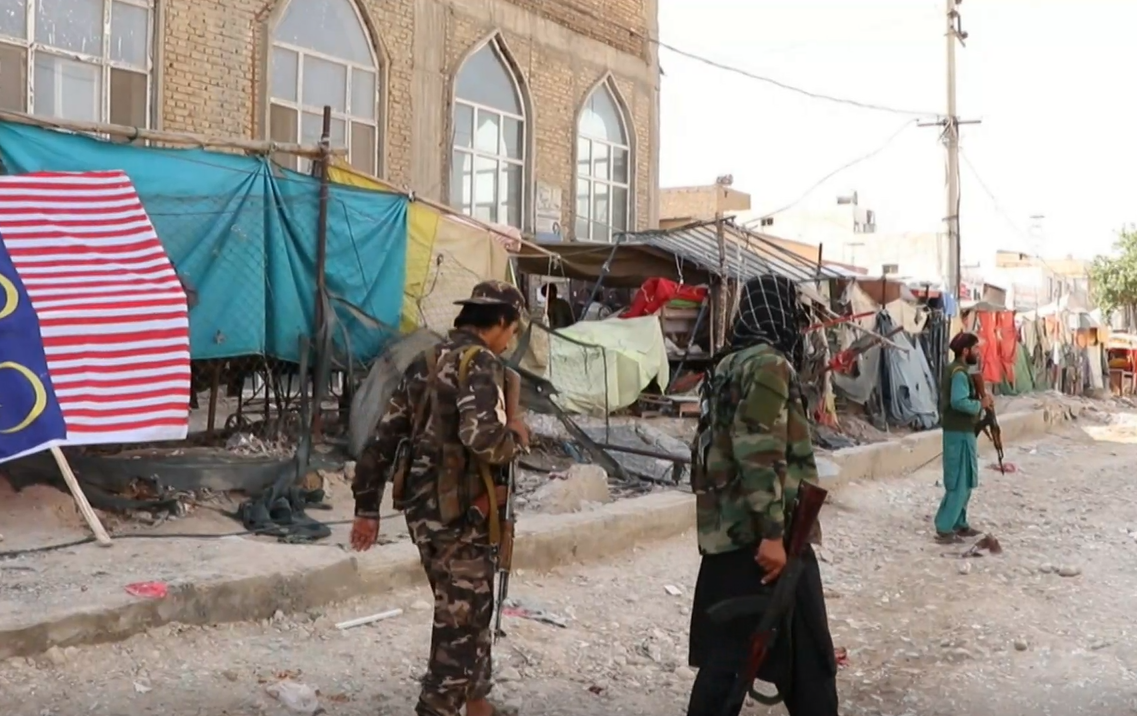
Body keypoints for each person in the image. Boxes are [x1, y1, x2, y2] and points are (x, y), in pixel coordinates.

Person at [350, 280, 530, 716]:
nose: (511, 340)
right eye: (512, 330)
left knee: (467, 611)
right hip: (462, 519)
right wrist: (518, 439)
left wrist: (366, 507)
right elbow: (481, 438)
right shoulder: (482, 363)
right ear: (501, 322)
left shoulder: (427, 360)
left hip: (425, 515)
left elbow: (382, 437)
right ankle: (437, 707)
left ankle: (478, 704)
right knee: (460, 625)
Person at [686, 274, 838, 716]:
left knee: (729, 661)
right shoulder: (769, 365)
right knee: (806, 661)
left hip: (728, 535)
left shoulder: (729, 363)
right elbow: (757, 450)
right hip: (766, 540)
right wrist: (772, 535)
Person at [935, 331, 992, 543]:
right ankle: (944, 526)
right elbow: (959, 402)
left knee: (967, 480)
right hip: (957, 433)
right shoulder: (958, 373)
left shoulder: (961, 371)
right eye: (975, 349)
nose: (978, 353)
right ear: (965, 351)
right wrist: (980, 405)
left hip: (964, 432)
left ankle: (959, 523)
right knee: (958, 481)